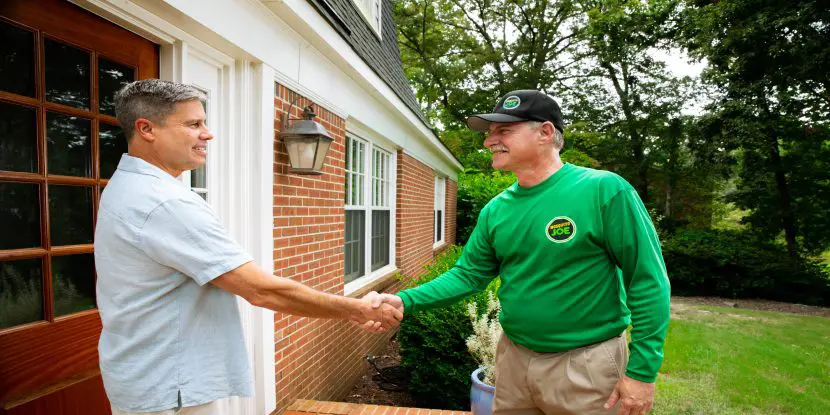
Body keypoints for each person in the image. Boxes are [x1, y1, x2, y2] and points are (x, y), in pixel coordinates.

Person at [94, 79, 401, 415]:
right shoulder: (163, 202)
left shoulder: (126, 185)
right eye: (193, 124)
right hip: (170, 386)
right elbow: (261, 290)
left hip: (148, 374)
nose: (207, 133)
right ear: (146, 128)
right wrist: (356, 309)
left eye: (204, 122)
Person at [367, 90, 671, 415]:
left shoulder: (603, 191)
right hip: (514, 360)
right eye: (489, 133)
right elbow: (467, 275)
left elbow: (648, 281)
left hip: (587, 366)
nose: (489, 141)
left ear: (545, 132)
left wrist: (641, 371)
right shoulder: (497, 210)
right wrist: (404, 300)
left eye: (504, 131)